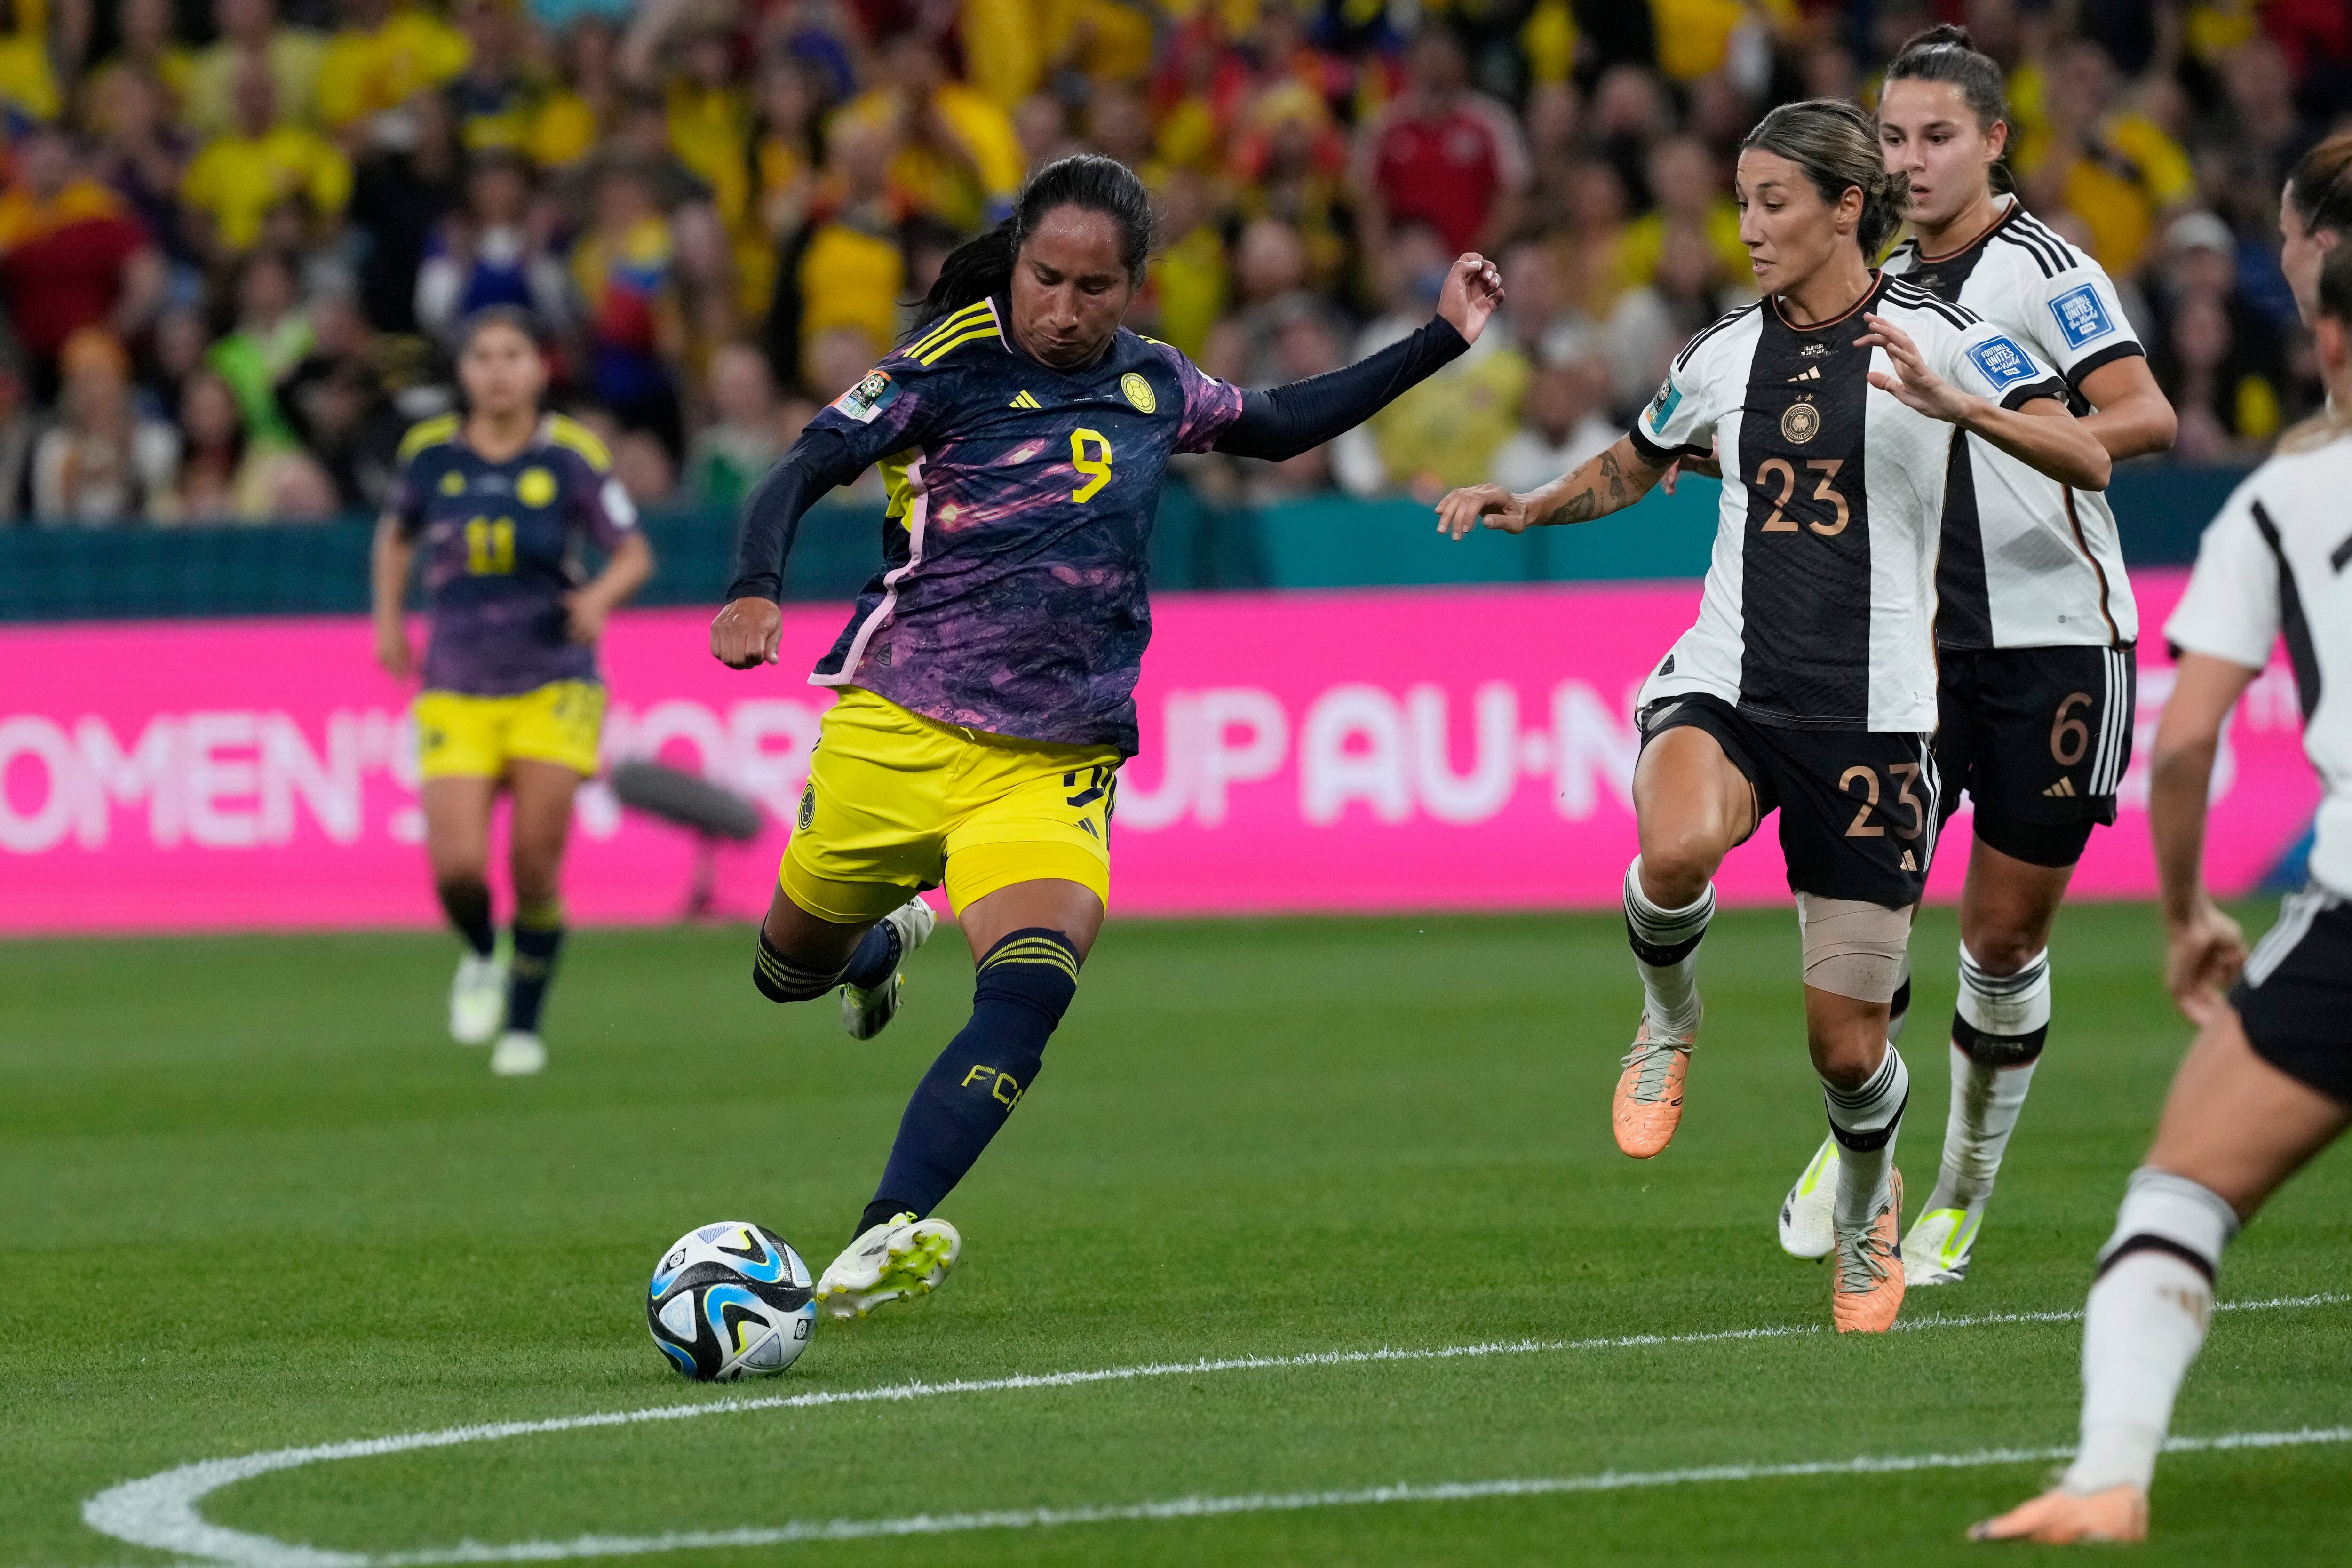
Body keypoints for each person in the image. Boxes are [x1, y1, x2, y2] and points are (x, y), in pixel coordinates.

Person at [712, 153, 1501, 1321]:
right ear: (1014, 261)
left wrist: (1439, 338)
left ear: (1134, 287)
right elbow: (801, 467)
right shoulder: (944, 369)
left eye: (1095, 289)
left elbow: (1280, 426)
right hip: (895, 729)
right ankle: (875, 949)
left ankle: (888, 1226)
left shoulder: (1156, 385)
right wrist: (753, 587)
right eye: (1044, 278)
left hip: (1054, 756)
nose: (1064, 310)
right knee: (788, 972)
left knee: (1028, 993)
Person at [1433, 100, 2108, 1334]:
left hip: (1878, 719)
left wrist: (1966, 410)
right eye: (1741, 203)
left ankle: (1866, 1210)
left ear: (1849, 208)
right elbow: (1638, 463)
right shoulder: (1721, 354)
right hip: (1729, 679)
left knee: (1849, 1050)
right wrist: (1530, 506)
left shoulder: (1949, 339)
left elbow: (2089, 452)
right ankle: (1667, 1017)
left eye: (1773, 204)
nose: (1747, 228)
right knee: (1674, 845)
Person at [1771, 26, 2180, 1288]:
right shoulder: (1870, 282)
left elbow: (2145, 418)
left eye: (1938, 136)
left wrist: (1977, 409)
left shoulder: (2046, 271)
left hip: (2054, 638)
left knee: (2000, 938)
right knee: (1868, 920)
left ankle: (1963, 1185)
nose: (1913, 159)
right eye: (1892, 138)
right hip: (1907, 646)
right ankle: (1862, 1149)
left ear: (1993, 141)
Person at [1969, 239, 2352, 1551]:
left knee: (2179, 1199)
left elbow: (2183, 744)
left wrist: (2186, 914)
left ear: (2329, 337)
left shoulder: (2290, 500)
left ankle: (2110, 1474)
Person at [371, 308, 654, 1077]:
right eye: (482, 356)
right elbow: (395, 536)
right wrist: (389, 620)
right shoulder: (430, 455)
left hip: (551, 680)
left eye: (513, 355)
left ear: (540, 368)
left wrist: (597, 599)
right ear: (463, 373)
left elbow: (631, 552)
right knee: (458, 869)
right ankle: (478, 952)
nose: (496, 369)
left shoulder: (569, 456)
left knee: (534, 864)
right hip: (458, 681)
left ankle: (524, 1024)